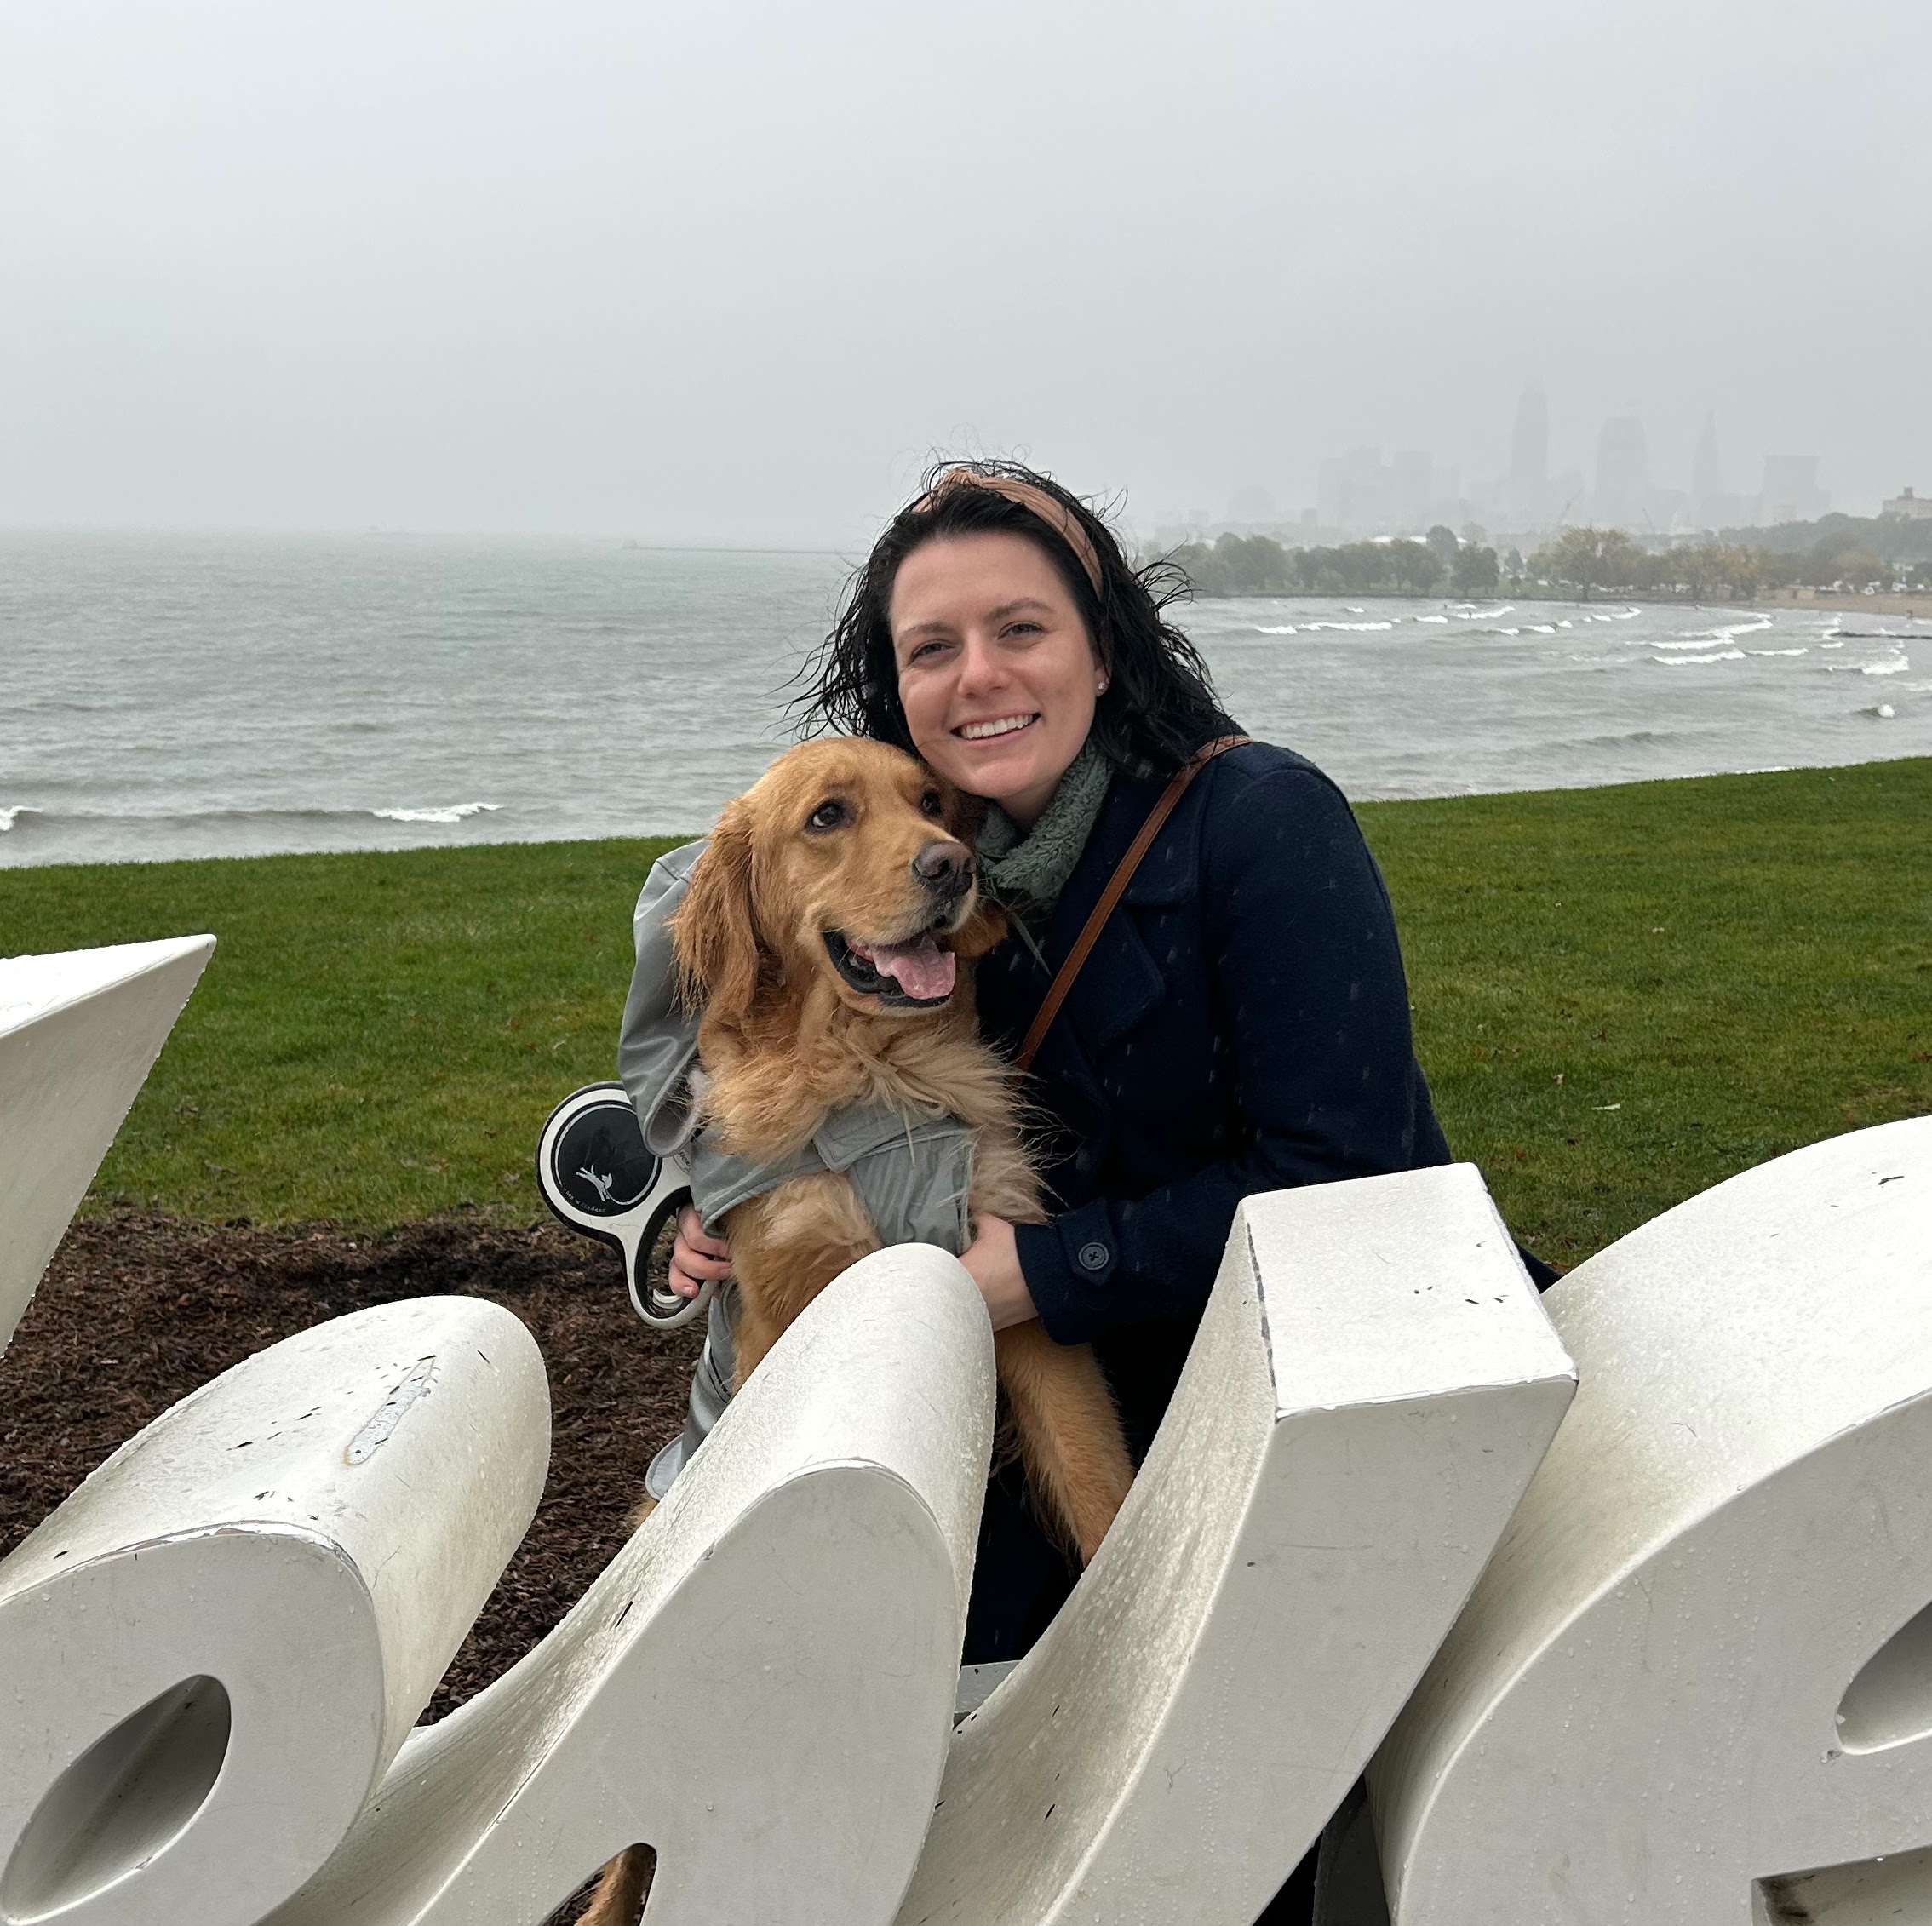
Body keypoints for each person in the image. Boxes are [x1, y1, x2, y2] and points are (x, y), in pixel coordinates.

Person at [625, 459, 1552, 1921]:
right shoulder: (942, 867)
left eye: (1021, 629)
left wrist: (1045, 1275)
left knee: (1182, 1786)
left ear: (1102, 647)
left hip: (1307, 1372)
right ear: (898, 688)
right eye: (932, 649)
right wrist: (710, 1194)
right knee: (874, 1700)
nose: (977, 675)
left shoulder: (1257, 819)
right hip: (1076, 1385)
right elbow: (746, 1024)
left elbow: (1349, 1176)